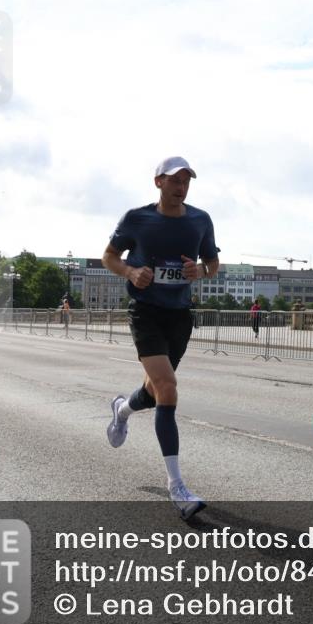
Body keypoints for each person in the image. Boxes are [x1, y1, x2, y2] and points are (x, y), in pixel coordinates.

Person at [102, 156, 220, 520]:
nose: (181, 186)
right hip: (146, 312)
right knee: (167, 386)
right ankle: (177, 486)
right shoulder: (137, 218)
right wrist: (131, 270)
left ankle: (122, 410)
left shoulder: (201, 220)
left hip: (179, 316)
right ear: (158, 182)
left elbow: (213, 264)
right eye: (174, 180)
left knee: (155, 391)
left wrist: (199, 271)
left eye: (186, 180)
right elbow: (108, 257)